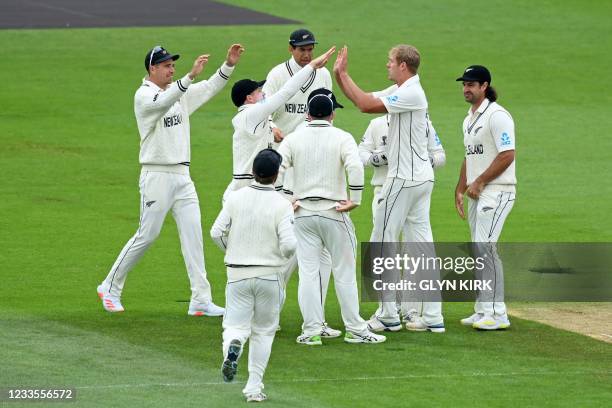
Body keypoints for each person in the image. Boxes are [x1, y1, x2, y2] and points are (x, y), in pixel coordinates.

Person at [96, 44, 244, 316]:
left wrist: (228, 65)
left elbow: (209, 88)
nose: (171, 68)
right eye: (166, 65)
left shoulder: (179, 94)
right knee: (147, 234)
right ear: (152, 69)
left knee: (193, 236)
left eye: (173, 65)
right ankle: (110, 286)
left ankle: (200, 299)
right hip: (156, 175)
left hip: (183, 176)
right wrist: (188, 77)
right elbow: (163, 101)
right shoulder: (144, 96)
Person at [333, 44, 445, 333]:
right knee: (422, 246)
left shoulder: (410, 92)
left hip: (404, 179)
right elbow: (367, 98)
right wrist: (342, 77)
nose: (387, 66)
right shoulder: (405, 89)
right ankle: (432, 316)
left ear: (403, 66)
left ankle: (387, 314)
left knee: (381, 241)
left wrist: (342, 73)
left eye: (390, 62)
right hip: (421, 179)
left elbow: (364, 106)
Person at [276, 90, 386, 345]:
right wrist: (355, 200)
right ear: (332, 114)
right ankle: (356, 329)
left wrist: (284, 200)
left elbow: (277, 167)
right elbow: (355, 166)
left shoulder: (294, 138)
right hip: (333, 212)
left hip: (302, 213)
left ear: (307, 114)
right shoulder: (341, 137)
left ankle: (311, 330)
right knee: (345, 273)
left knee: (308, 273)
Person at [263, 28, 339, 338]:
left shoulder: (323, 77)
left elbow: (330, 116)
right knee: (289, 249)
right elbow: (263, 109)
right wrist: (271, 128)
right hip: (284, 165)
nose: (307, 53)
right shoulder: (278, 75)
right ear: (292, 49)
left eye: (310, 48)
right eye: (302, 49)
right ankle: (269, 314)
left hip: (311, 167)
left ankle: (316, 320)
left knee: (317, 252)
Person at [211, 149, 296, 403]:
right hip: (270, 275)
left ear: (253, 172)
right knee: (263, 332)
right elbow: (290, 246)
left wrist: (234, 251)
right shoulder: (283, 204)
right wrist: (279, 257)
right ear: (276, 174)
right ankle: (254, 388)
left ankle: (234, 345)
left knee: (234, 327)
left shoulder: (235, 198)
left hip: (237, 272)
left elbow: (216, 232)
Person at [358, 114, 446, 323]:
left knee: (411, 249)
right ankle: (391, 306)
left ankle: (409, 309)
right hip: (384, 189)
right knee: (389, 248)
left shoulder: (424, 122)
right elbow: (361, 153)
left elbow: (440, 155)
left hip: (412, 189)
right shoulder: (377, 124)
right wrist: (379, 158)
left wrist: (424, 159)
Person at [223, 46, 336, 201]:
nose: (263, 94)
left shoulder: (251, 116)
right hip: (245, 192)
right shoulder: (252, 114)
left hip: (253, 189)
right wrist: (311, 66)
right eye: (258, 92)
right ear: (249, 98)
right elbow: (286, 92)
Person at [454, 65, 516, 330]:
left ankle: (497, 313)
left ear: (485, 86)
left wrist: (479, 181)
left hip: (498, 190)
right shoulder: (469, 119)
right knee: (479, 249)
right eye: (465, 84)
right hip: (476, 193)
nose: (467, 88)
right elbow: (470, 156)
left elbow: (507, 154)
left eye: (472, 84)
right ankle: (482, 309)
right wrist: (460, 187)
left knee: (486, 249)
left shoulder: (497, 115)